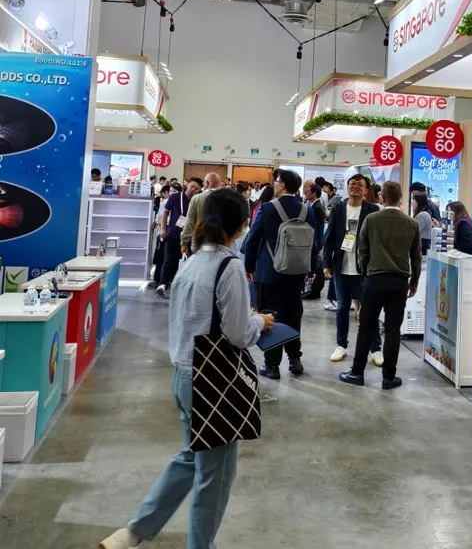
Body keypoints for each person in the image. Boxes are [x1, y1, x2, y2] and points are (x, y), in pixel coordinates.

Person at [99, 189, 274, 549]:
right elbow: (238, 334)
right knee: (215, 477)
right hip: (214, 382)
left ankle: (133, 532)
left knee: (189, 458)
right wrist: (260, 321)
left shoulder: (191, 261)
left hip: (184, 372)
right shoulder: (230, 266)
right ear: (242, 225)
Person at [339, 181, 421, 390]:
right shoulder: (411, 223)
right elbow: (416, 257)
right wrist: (414, 281)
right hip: (399, 281)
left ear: (381, 198)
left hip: (374, 280)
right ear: (401, 198)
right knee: (393, 331)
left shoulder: (371, 219)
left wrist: (365, 271)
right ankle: (389, 378)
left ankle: (357, 373)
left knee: (366, 328)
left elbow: (362, 250)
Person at [243, 169, 317, 380]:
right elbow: (314, 243)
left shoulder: (267, 208)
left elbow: (253, 239)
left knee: (270, 317)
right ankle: (295, 360)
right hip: (296, 272)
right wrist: (311, 268)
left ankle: (272, 365)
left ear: (282, 185)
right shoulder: (307, 210)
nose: (274, 184)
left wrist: (249, 267)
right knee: (293, 315)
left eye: (276, 181)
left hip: (269, 272)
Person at [323, 174, 382, 364]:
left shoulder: (373, 210)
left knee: (369, 310)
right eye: (352, 184)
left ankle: (376, 348)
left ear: (366, 190)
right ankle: (341, 345)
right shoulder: (338, 208)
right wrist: (326, 263)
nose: (355, 187)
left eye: (359, 184)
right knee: (342, 308)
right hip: (341, 267)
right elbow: (329, 237)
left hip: (364, 269)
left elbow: (377, 240)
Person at [157, 177, 203, 297]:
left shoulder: (197, 201)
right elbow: (165, 212)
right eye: (192, 186)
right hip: (173, 234)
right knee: (169, 260)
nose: (192, 189)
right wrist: (163, 228)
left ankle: (183, 285)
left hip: (189, 236)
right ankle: (163, 284)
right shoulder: (175, 197)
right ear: (187, 185)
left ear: (199, 191)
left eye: (196, 188)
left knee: (188, 262)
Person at [180, 172, 221, 254]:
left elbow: (189, 222)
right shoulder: (227, 200)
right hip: (219, 243)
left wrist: (184, 242)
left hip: (199, 242)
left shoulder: (197, 198)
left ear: (207, 183)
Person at [150, 184, 172, 289]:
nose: (172, 193)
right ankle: (158, 280)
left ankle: (165, 280)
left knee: (168, 259)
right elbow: (159, 218)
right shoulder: (165, 203)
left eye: (175, 191)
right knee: (160, 257)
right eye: (171, 191)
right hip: (163, 233)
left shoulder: (180, 203)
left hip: (172, 234)